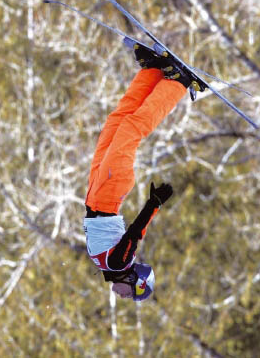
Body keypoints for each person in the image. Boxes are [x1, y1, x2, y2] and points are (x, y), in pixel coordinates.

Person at [83, 45, 194, 301]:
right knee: (132, 129)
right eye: (130, 294)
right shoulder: (120, 264)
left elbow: (135, 236)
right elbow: (135, 233)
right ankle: (178, 84)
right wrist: (153, 204)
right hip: (109, 193)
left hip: (96, 193)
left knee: (116, 122)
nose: (122, 296)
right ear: (135, 280)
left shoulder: (109, 268)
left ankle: (152, 72)